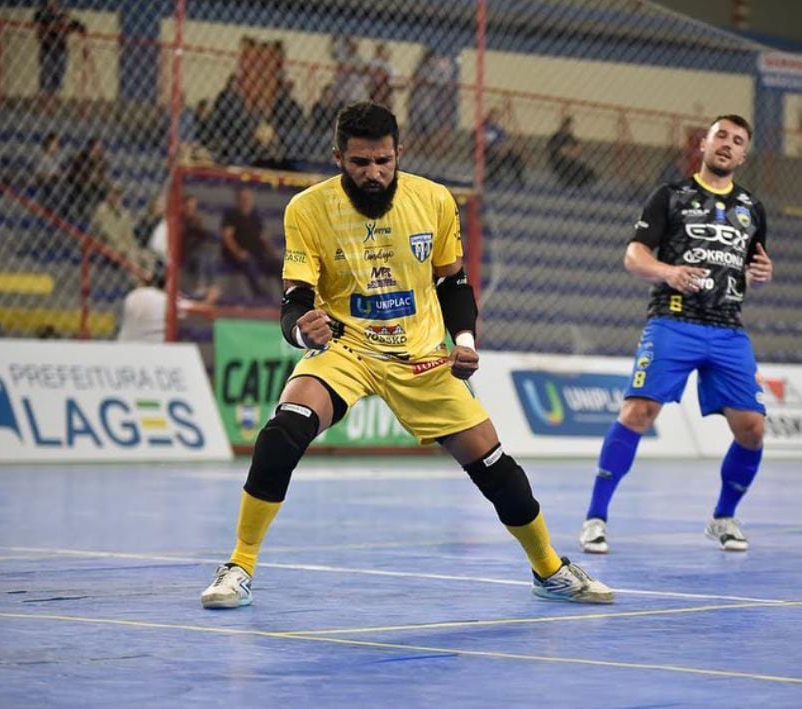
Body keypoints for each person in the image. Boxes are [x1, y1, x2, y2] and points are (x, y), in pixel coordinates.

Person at [200, 102, 613, 609]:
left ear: (399, 154)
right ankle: (239, 565)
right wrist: (302, 333)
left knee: (494, 465)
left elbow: (452, 281)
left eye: (383, 161)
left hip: (421, 355)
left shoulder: (435, 200)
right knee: (283, 432)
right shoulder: (306, 209)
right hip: (347, 348)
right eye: (359, 163)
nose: (373, 174)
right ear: (337, 158)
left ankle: (549, 568)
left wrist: (464, 340)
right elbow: (296, 302)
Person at [579, 115, 773, 555]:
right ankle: (595, 517)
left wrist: (762, 272)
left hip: (727, 329)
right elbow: (634, 256)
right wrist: (669, 272)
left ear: (744, 155)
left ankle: (723, 517)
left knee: (753, 429)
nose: (727, 144)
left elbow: (754, 265)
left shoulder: (752, 208)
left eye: (737, 140)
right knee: (637, 413)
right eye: (721, 135)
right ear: (704, 143)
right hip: (673, 319)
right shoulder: (670, 196)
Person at [220, 185, 280, 301]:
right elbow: (227, 237)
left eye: (248, 197)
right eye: (243, 198)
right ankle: (261, 296)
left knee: (279, 265)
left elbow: (264, 238)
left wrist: (273, 252)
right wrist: (238, 252)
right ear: (238, 199)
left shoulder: (256, 216)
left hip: (258, 254)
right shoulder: (231, 215)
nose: (246, 200)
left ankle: (288, 297)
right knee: (249, 263)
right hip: (237, 256)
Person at [33, 0, 86, 98]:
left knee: (60, 70)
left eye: (57, 3)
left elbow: (75, 25)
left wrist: (77, 27)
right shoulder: (43, 14)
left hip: (61, 47)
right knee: (47, 70)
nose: (55, 5)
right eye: (53, 3)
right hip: (47, 46)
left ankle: (54, 94)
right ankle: (45, 94)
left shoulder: (64, 15)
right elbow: (38, 21)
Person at [547, 116, 596, 189]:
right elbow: (562, 152)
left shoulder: (571, 137)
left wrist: (572, 151)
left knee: (588, 171)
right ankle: (567, 180)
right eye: (569, 126)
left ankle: (577, 182)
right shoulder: (556, 137)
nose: (570, 129)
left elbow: (578, 149)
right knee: (570, 167)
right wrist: (571, 152)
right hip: (559, 161)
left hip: (572, 160)